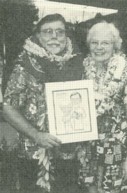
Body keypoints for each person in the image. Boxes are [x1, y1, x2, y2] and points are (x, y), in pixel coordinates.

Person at [3, 14, 84, 193]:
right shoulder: (24, 65)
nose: (54, 37)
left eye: (59, 32)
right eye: (48, 32)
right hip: (35, 153)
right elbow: (8, 108)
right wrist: (36, 135)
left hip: (70, 152)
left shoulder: (78, 63)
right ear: (38, 36)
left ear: (66, 36)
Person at [79, 21, 127, 193]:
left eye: (105, 43)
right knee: (89, 187)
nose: (99, 47)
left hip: (115, 147)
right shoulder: (84, 68)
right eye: (94, 42)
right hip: (88, 146)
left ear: (115, 45)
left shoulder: (124, 73)